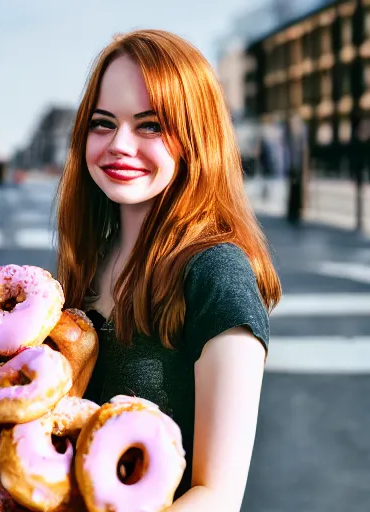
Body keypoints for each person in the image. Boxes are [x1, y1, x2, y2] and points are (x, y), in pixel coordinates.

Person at [55, 30, 281, 511]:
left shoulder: (216, 274)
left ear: (195, 137)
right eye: (102, 122)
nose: (119, 144)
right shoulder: (90, 260)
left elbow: (216, 497)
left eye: (150, 125)